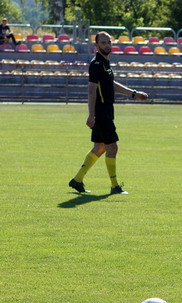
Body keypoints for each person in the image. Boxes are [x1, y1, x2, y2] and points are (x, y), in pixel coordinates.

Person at [68, 31, 148, 195]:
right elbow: (91, 90)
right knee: (112, 147)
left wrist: (133, 93)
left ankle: (77, 180)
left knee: (100, 147)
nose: (107, 45)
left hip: (106, 111)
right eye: (103, 43)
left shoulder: (105, 63)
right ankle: (114, 186)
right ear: (96, 45)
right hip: (101, 111)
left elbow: (111, 84)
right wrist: (91, 115)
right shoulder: (96, 64)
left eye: (109, 42)